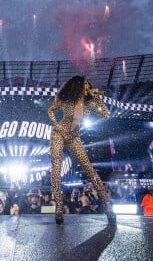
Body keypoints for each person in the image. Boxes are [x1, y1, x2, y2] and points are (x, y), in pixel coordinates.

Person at [48, 75, 116, 226]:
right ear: (78, 86)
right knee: (56, 168)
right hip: (58, 134)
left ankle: (108, 208)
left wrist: (97, 98)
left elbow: (106, 115)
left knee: (90, 170)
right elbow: (51, 110)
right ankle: (59, 207)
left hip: (73, 137)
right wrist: (55, 124)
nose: (87, 87)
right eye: (85, 85)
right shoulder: (66, 99)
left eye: (88, 85)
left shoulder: (90, 102)